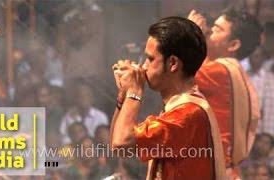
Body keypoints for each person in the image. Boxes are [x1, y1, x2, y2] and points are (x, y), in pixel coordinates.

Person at [110, 16, 225, 179]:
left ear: (172, 63)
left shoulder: (186, 114)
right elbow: (119, 147)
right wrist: (123, 95)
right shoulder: (180, 107)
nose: (143, 66)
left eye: (150, 59)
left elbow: (122, 142)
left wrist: (134, 92)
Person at [188, 7, 262, 178]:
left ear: (233, 45)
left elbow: (173, 73)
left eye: (217, 29)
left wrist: (189, 34)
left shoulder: (220, 70)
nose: (209, 31)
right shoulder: (229, 69)